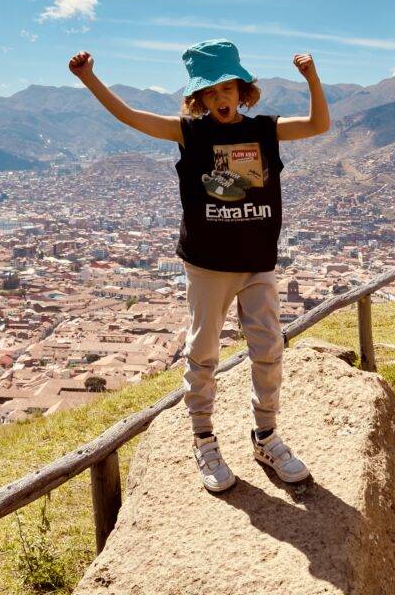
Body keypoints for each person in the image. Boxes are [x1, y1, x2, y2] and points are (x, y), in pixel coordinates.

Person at [68, 38, 330, 493]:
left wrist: (312, 78)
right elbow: (131, 117)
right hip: (208, 264)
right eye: (209, 92)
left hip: (257, 261)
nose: (219, 99)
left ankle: (266, 435)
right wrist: (90, 79)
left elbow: (319, 124)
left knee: (268, 349)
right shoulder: (189, 133)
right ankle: (203, 438)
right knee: (203, 353)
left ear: (241, 89)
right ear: (199, 98)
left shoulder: (266, 129)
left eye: (226, 88)